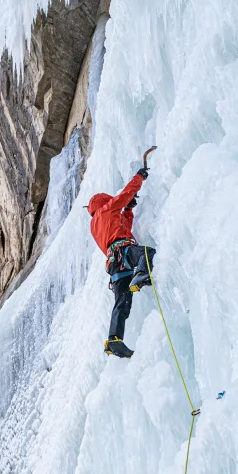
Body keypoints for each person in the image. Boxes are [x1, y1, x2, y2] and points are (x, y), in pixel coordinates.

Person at [88, 147, 157, 358]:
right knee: (148, 253)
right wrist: (139, 177)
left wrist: (128, 210)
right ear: (103, 202)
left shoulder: (95, 224)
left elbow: (123, 226)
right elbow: (125, 194)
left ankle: (114, 340)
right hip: (123, 252)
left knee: (122, 303)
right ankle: (142, 275)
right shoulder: (106, 209)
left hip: (115, 264)